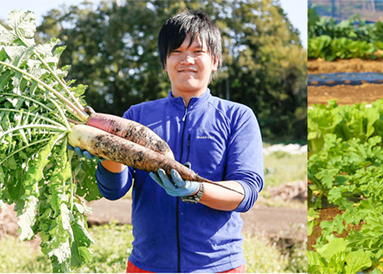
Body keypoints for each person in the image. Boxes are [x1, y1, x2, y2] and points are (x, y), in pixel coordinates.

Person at [70, 10, 264, 273]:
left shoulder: (237, 117)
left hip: (219, 266)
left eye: (198, 51)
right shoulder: (137, 116)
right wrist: (106, 153)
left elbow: (246, 191)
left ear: (215, 60)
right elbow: (114, 190)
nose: (187, 59)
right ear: (164, 62)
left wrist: (196, 191)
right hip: (147, 265)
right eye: (176, 51)